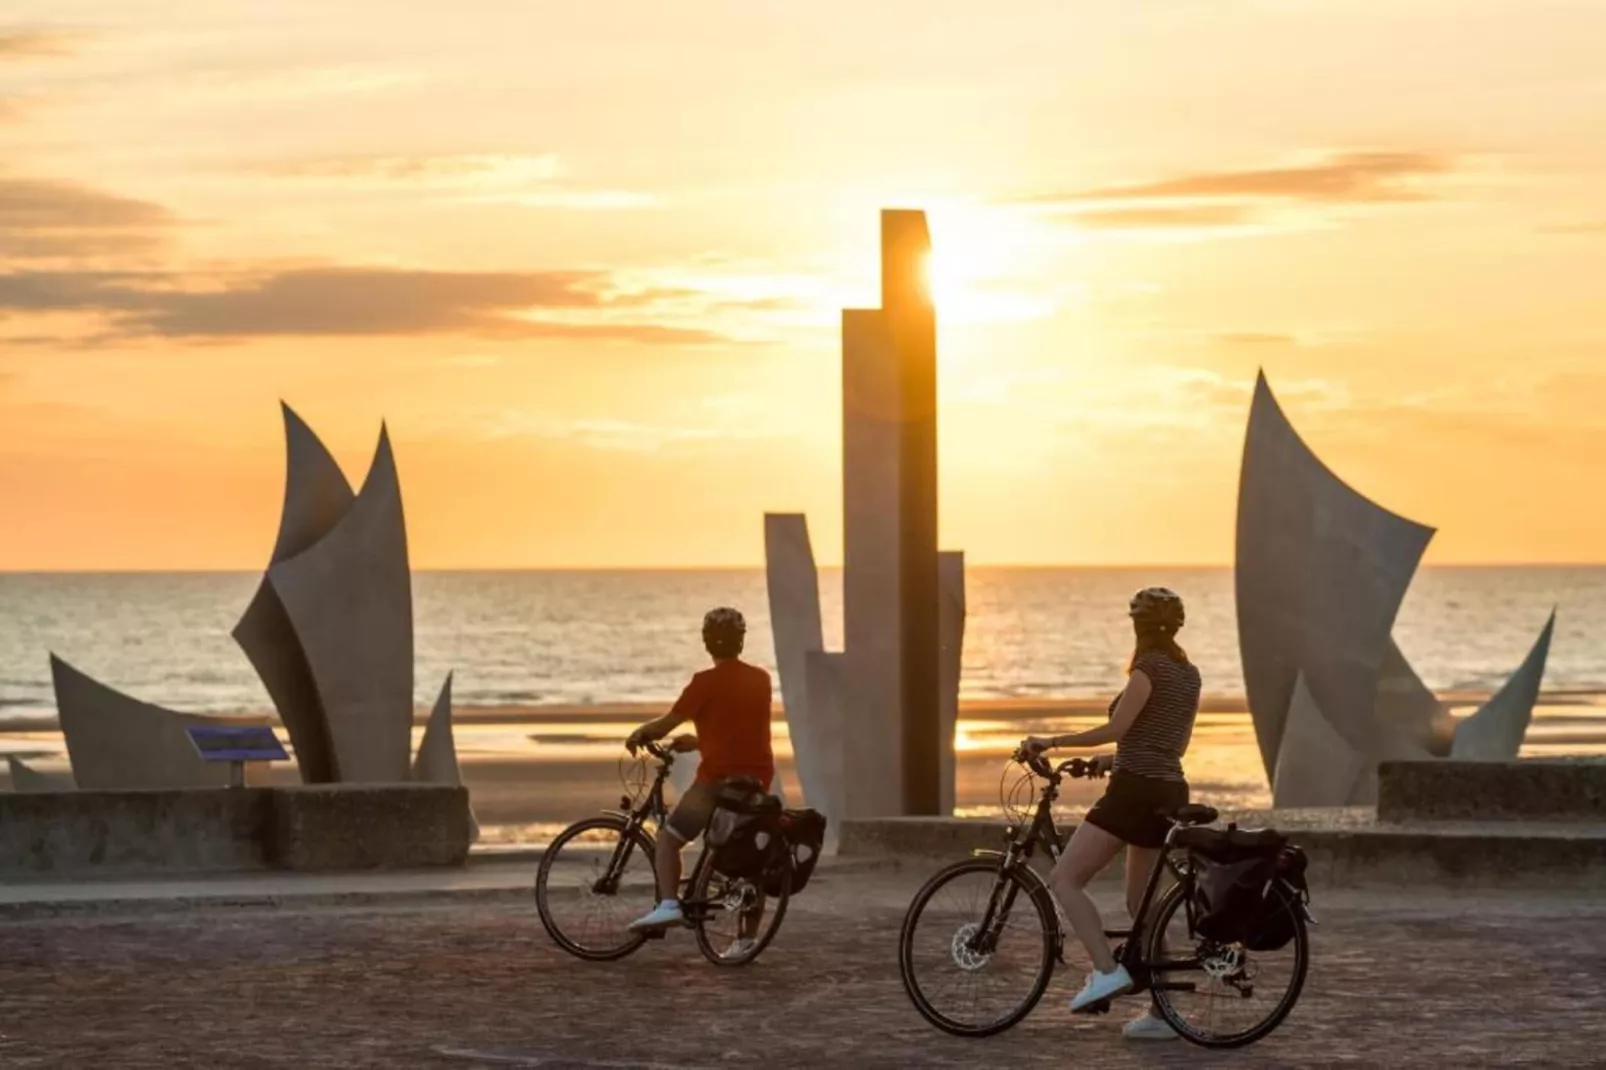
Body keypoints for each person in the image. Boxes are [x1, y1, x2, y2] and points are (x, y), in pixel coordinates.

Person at [1022, 586, 1201, 1042]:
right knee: (1142, 907)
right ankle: (1163, 1016)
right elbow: (1171, 744)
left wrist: (1051, 742)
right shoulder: (1189, 674)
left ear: (1138, 627)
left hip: (1134, 793)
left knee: (1065, 879)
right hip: (1168, 790)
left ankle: (1105, 971)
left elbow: (1118, 728)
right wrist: (1109, 761)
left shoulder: (1148, 667)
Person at [625, 606, 775, 945]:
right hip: (757, 781)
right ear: (741, 641)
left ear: (707, 642)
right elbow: (741, 728)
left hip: (716, 783)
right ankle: (746, 941)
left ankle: (668, 905)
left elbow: (665, 724)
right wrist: (699, 741)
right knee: (748, 858)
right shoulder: (761, 679)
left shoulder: (703, 683)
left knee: (669, 839)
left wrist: (640, 733)